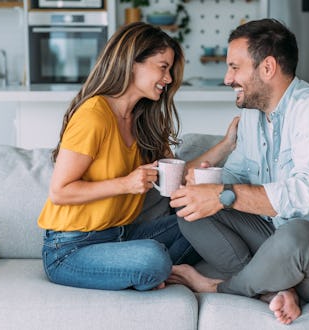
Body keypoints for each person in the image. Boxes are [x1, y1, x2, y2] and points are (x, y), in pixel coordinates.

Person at [168, 18, 309, 325]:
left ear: (268, 67)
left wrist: (223, 195)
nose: (227, 78)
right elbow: (237, 177)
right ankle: (275, 287)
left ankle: (220, 287)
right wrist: (210, 183)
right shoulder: (252, 116)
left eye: (235, 67)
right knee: (189, 209)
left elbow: (308, 195)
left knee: (296, 234)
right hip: (277, 239)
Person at [37, 22, 237, 291]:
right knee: (151, 259)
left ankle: (152, 269)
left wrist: (227, 144)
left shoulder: (143, 119)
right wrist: (125, 184)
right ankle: (170, 269)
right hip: (70, 249)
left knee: (203, 218)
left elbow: (177, 175)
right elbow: (60, 192)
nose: (168, 79)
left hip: (122, 236)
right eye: (163, 67)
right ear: (133, 63)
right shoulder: (93, 115)